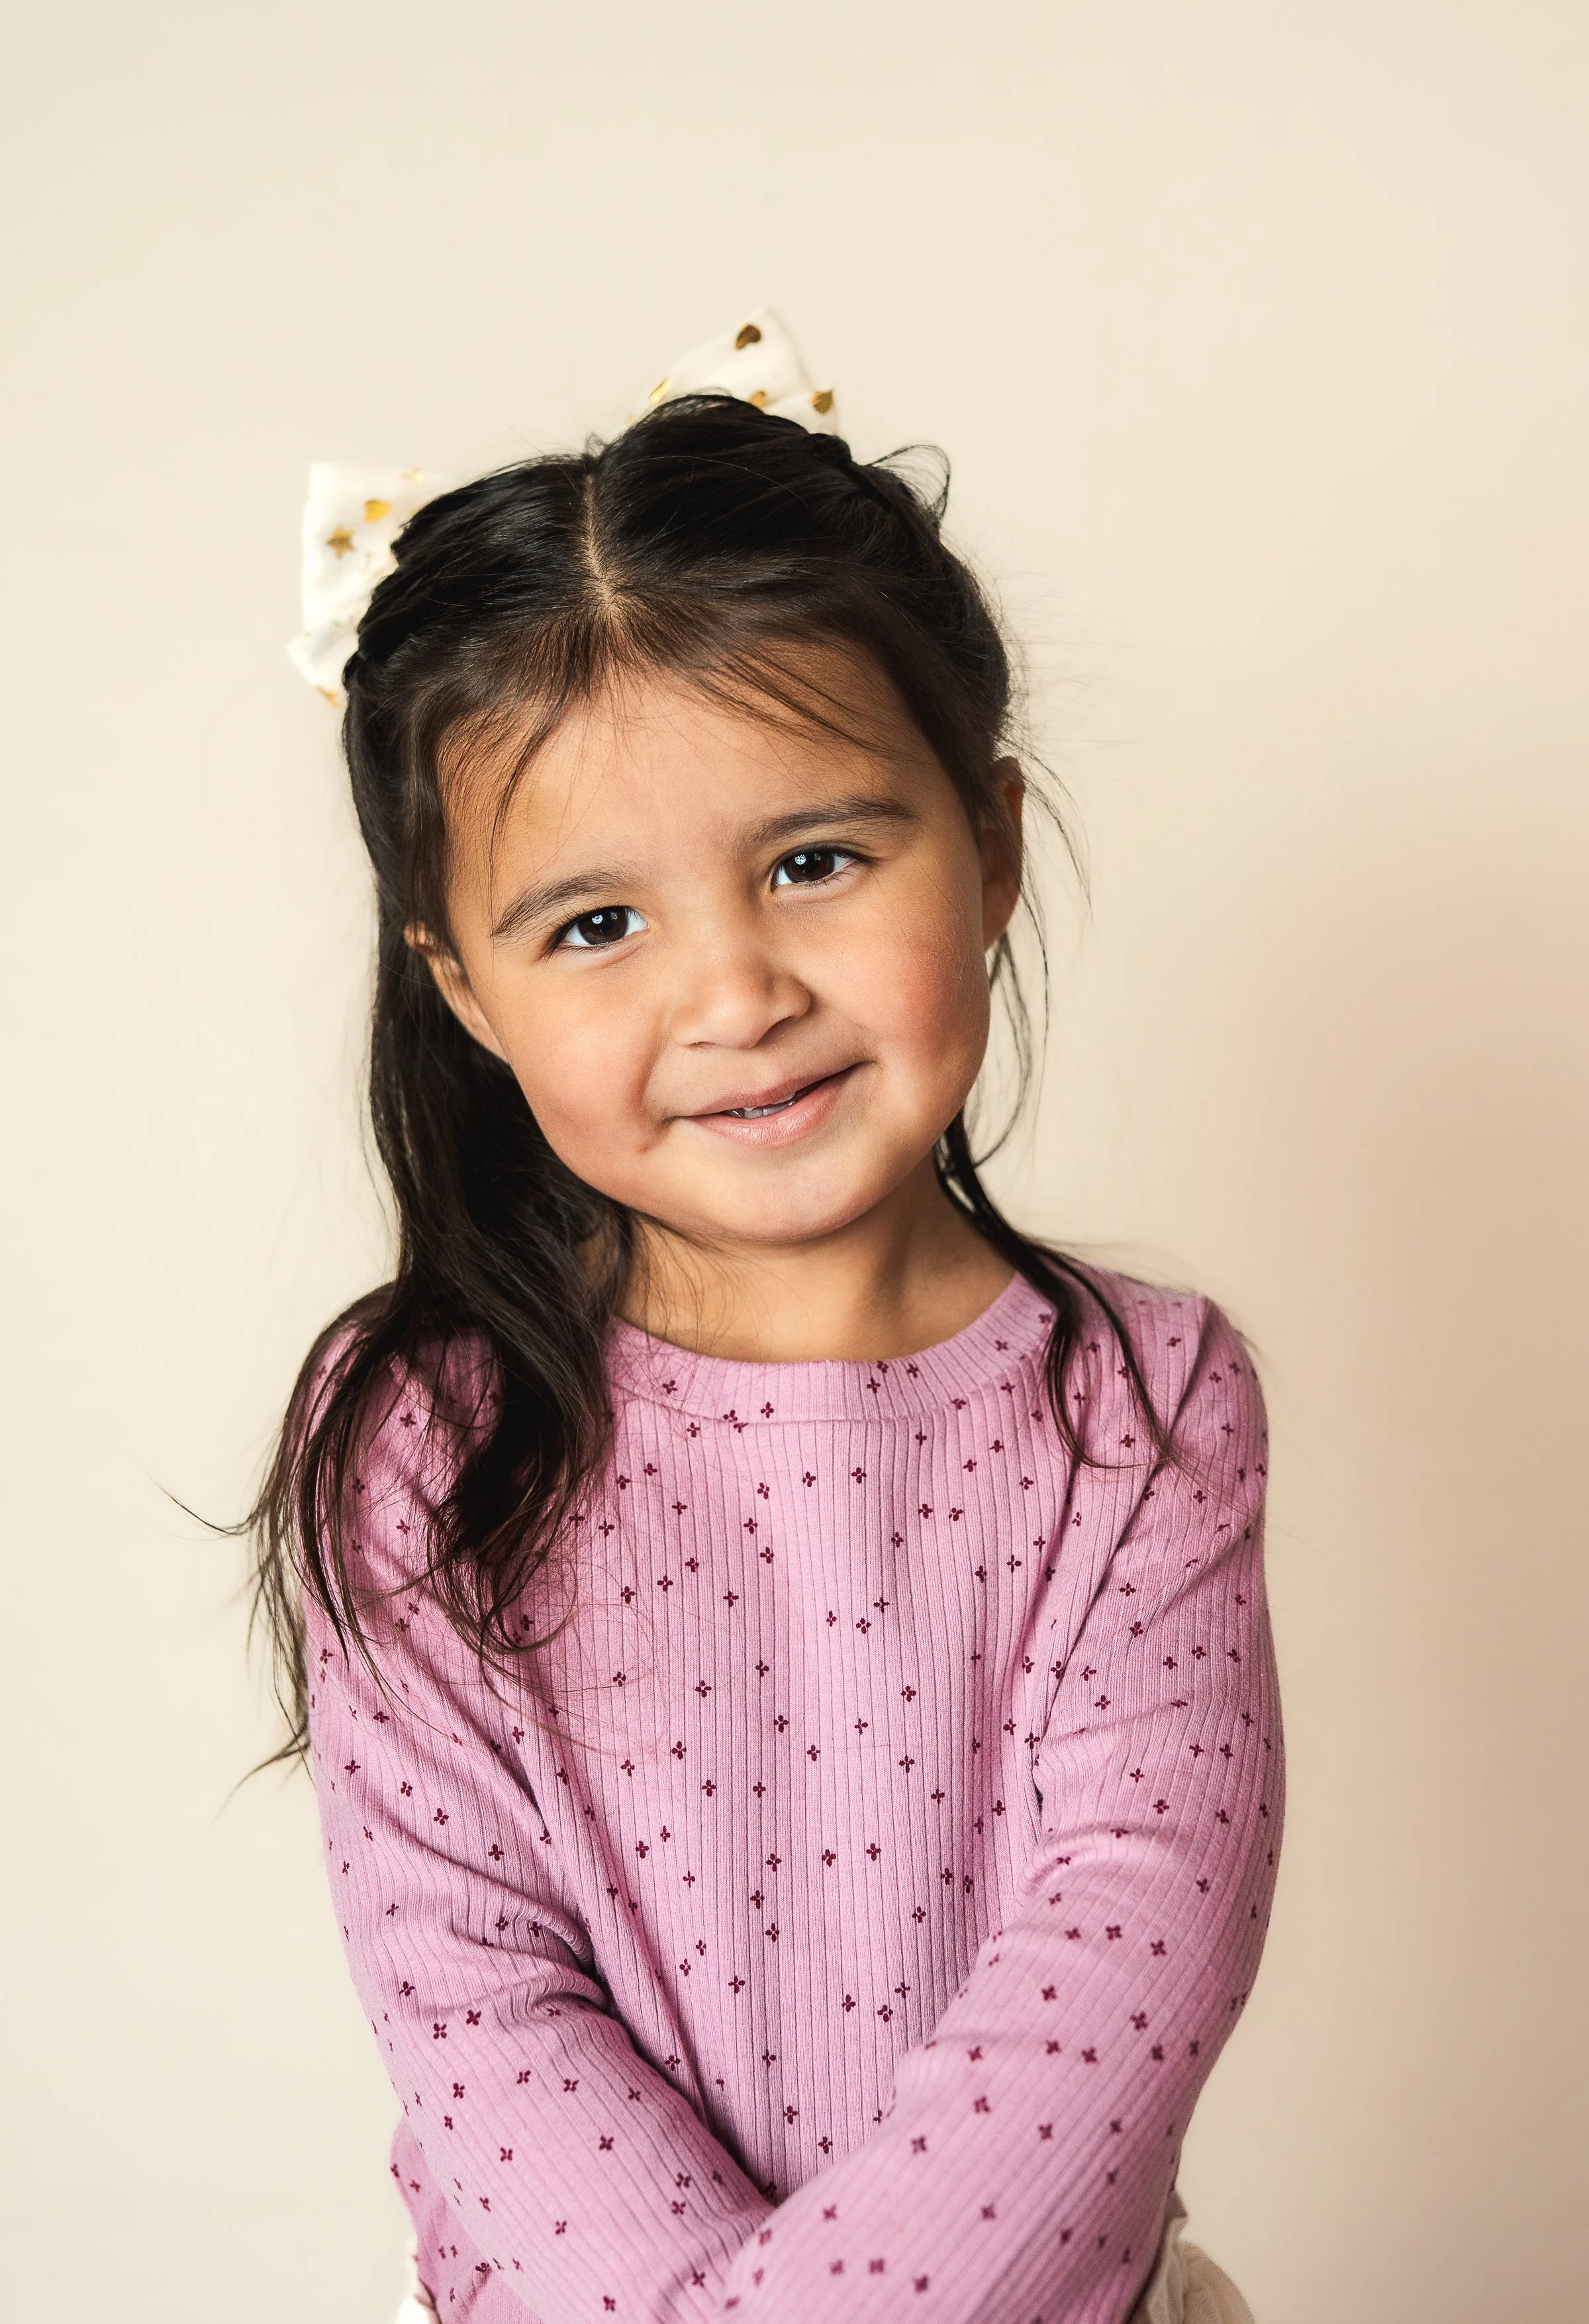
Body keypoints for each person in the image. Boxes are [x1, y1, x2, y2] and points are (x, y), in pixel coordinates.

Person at [250, 318, 1283, 2324]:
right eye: (597, 923)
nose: (735, 994)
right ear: (463, 989)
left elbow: (1128, 1959)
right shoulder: (415, 1434)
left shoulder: (1146, 1408)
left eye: (815, 861)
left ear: (988, 845)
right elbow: (477, 2008)